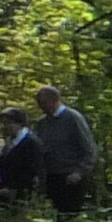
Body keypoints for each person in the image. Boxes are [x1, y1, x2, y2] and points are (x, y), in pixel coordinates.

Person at [25, 84, 96, 213]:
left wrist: (79, 172)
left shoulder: (73, 118)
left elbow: (89, 149)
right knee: (55, 214)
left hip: (71, 177)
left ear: (53, 100)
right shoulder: (43, 122)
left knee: (69, 215)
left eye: (42, 102)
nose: (40, 106)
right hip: (51, 177)